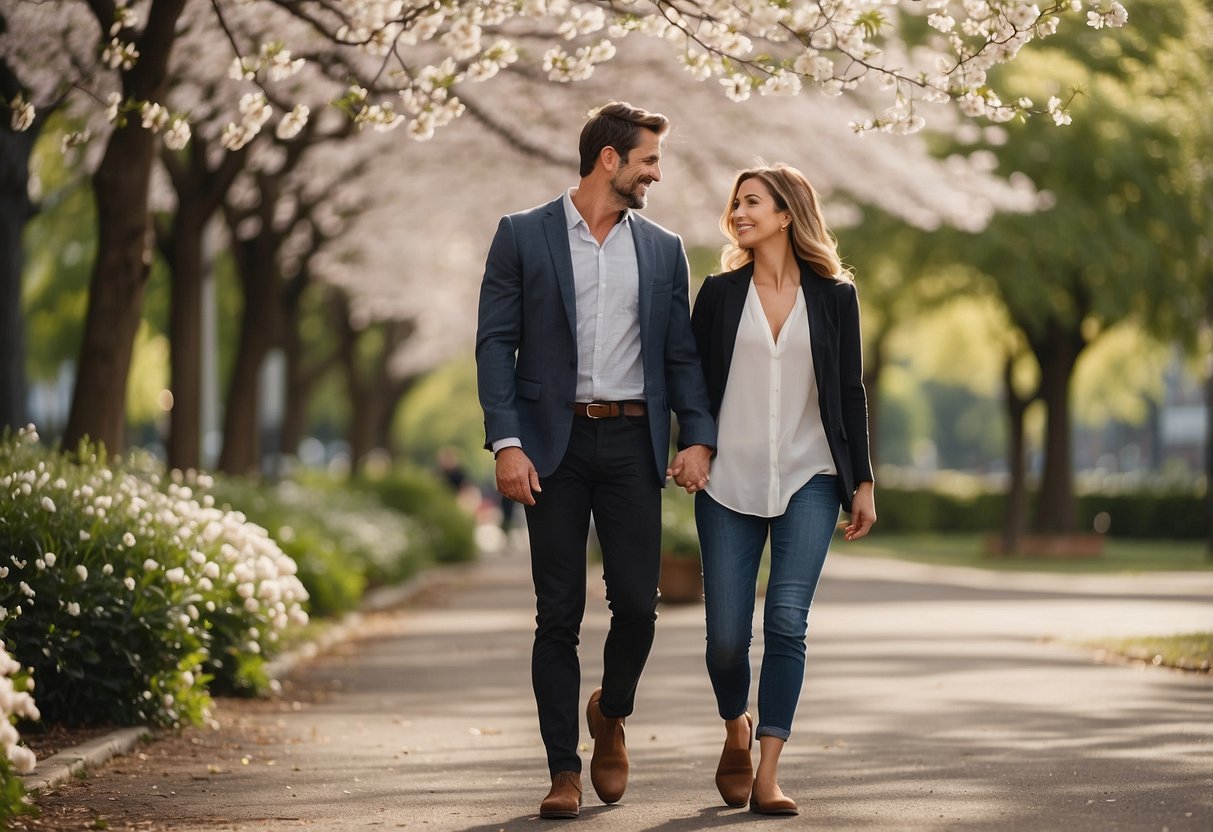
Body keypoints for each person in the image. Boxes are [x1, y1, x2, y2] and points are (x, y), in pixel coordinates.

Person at [475, 101, 717, 819]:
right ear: (608, 159)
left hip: (632, 442)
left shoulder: (663, 248)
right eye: (647, 160)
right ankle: (562, 770)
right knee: (558, 614)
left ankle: (610, 711)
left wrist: (695, 434)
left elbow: (679, 353)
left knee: (638, 607)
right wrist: (506, 440)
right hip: (551, 446)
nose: (656, 173)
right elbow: (495, 344)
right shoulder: (521, 235)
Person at [681, 163, 876, 815]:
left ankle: (767, 772)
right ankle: (735, 725)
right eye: (735, 203)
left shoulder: (834, 297)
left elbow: (848, 391)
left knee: (787, 620)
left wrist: (863, 482)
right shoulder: (716, 293)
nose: (738, 212)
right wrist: (694, 442)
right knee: (726, 639)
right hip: (726, 480)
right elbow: (692, 383)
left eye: (753, 202)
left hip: (810, 475)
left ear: (787, 213)